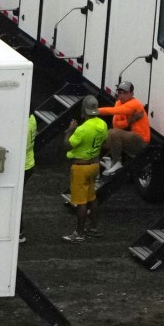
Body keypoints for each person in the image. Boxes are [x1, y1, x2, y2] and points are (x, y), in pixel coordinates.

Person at [62, 97, 107, 241]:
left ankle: (79, 234)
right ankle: (95, 228)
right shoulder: (102, 124)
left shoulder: (81, 129)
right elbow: (105, 140)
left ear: (84, 110)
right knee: (92, 197)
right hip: (94, 165)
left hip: (80, 167)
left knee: (80, 202)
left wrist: (69, 131)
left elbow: (67, 146)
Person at [97, 82, 151, 169]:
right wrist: (129, 121)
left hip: (141, 141)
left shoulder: (135, 104)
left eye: (125, 93)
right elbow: (116, 124)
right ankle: (97, 163)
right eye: (120, 93)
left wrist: (95, 110)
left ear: (132, 94)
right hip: (129, 139)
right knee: (106, 134)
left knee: (115, 134)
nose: (121, 96)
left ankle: (116, 162)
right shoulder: (118, 103)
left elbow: (113, 111)